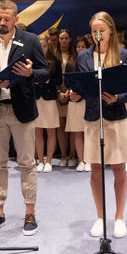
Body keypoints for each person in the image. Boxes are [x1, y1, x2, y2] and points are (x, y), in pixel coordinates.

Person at [0, 0, 48, 237]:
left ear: (16, 19)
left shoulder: (30, 40)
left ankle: (30, 213)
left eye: (6, 19)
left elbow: (45, 72)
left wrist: (30, 72)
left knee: (27, 162)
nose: (2, 22)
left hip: (22, 109)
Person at [71, 11, 127, 239]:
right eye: (94, 31)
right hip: (93, 117)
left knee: (118, 168)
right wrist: (75, 95)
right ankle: (100, 217)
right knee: (96, 169)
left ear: (111, 31)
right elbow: (81, 86)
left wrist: (118, 97)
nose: (97, 35)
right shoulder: (83, 56)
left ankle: (119, 217)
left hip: (115, 117)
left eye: (101, 31)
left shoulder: (123, 54)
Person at [34, 34, 61, 172]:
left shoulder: (55, 60)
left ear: (48, 46)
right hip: (36, 98)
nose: (42, 49)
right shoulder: (32, 60)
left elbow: (59, 80)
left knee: (51, 130)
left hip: (49, 98)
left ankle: (49, 161)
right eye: (40, 46)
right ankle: (40, 161)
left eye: (44, 46)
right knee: (37, 131)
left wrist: (48, 81)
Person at [66, 36, 90, 172]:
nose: (80, 49)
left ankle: (89, 159)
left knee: (89, 132)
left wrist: (83, 93)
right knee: (77, 132)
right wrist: (71, 91)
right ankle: (81, 160)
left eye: (83, 46)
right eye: (78, 46)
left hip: (88, 100)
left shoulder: (90, 62)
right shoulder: (71, 62)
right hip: (75, 101)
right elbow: (68, 81)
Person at [55, 29, 74, 167]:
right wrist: (58, 92)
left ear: (70, 39)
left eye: (66, 38)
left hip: (71, 93)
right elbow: (50, 75)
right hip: (57, 93)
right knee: (60, 126)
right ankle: (63, 155)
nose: (64, 41)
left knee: (72, 126)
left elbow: (76, 75)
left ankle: (72, 155)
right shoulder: (53, 55)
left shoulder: (75, 56)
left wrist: (68, 91)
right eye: (61, 38)